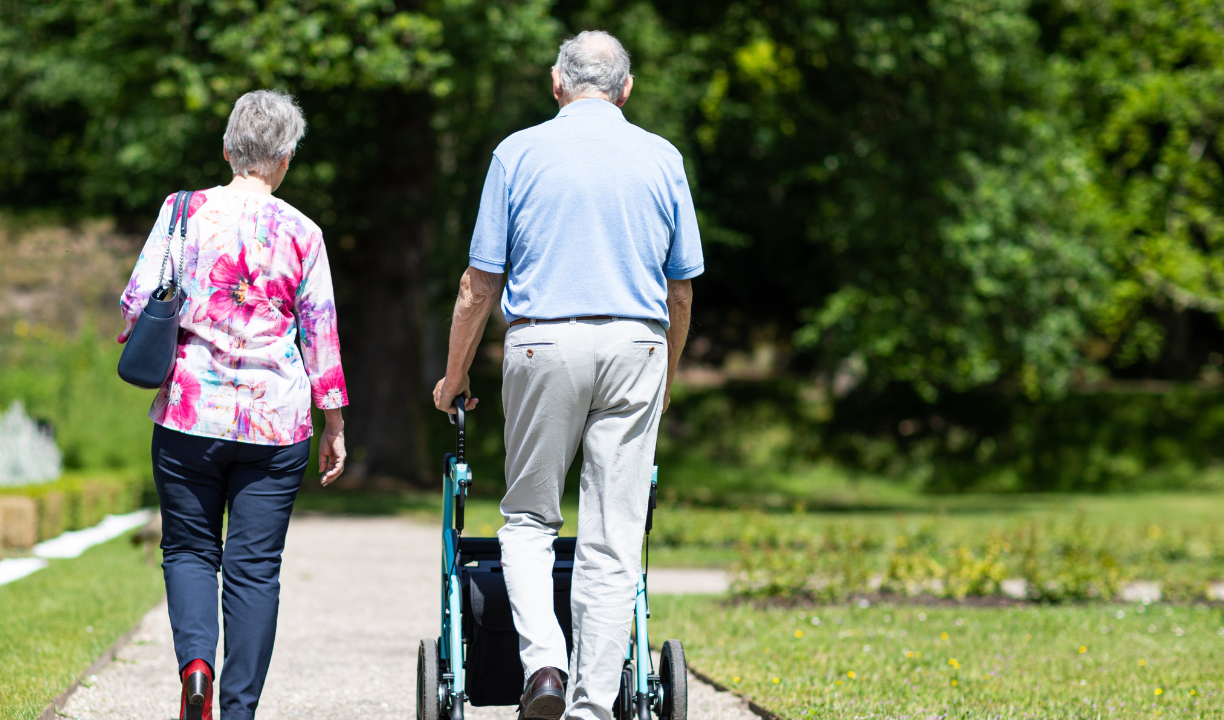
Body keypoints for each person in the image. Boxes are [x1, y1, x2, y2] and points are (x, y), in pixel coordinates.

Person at [432, 30, 703, 720]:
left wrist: (453, 375)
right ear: (627, 89)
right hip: (637, 343)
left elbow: (476, 284)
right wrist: (666, 375)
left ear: (557, 83)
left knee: (527, 519)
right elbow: (680, 293)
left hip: (543, 344)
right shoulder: (662, 157)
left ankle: (543, 664)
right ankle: (590, 706)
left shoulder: (517, 153)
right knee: (614, 534)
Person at [118, 89, 348, 720]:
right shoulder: (304, 232)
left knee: (189, 549)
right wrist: (334, 422)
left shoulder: (183, 210)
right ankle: (240, 710)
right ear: (286, 159)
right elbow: (320, 330)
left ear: (227, 150)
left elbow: (138, 301)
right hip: (276, 424)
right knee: (255, 571)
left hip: (190, 414)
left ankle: (196, 667)